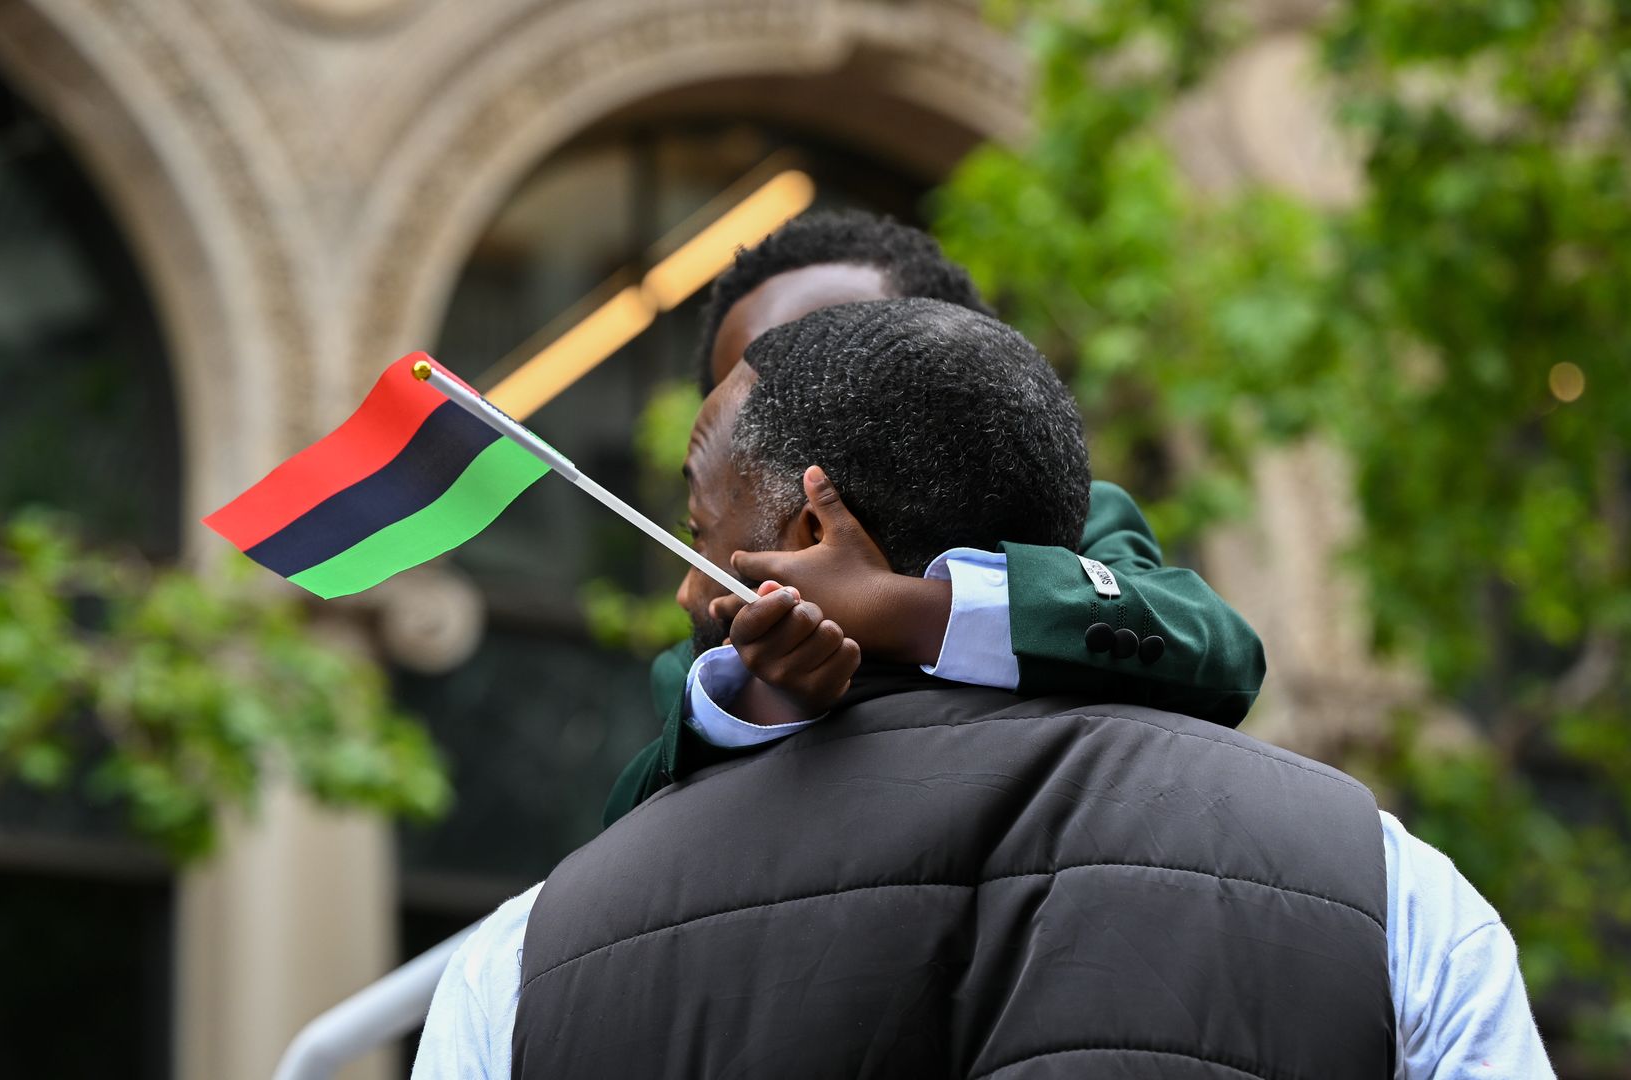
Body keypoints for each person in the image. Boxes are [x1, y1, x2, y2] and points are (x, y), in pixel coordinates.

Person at [414, 299, 1552, 1079]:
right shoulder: (1394, 890)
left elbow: (1211, 641)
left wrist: (909, 613)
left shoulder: (526, 962)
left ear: (812, 526)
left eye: (700, 529)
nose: (682, 590)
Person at [605, 210, 1263, 827]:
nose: (819, 388)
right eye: (764, 393)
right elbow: (629, 822)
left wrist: (909, 609)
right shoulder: (712, 645)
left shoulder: (1082, 519)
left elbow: (1213, 648)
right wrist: (757, 698)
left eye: (858, 350)